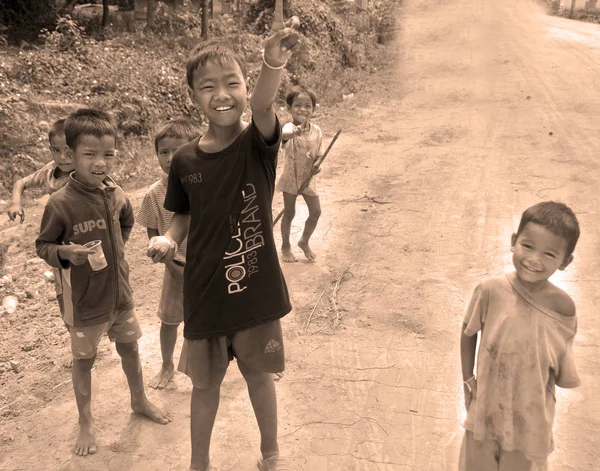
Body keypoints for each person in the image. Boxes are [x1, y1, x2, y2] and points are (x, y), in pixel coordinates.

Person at [147, 20, 301, 471]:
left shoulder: (259, 144)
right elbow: (183, 214)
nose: (222, 94)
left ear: (244, 87)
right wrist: (167, 238)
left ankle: (270, 455)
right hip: (204, 297)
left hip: (255, 293)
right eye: (208, 86)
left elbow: (264, 102)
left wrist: (272, 62)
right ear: (194, 96)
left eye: (232, 82)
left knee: (259, 378)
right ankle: (199, 464)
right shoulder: (184, 159)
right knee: (204, 388)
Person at [36, 108, 173, 457]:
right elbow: (43, 245)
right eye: (90, 154)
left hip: (120, 296)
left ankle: (139, 399)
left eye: (108, 154)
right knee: (84, 360)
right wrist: (67, 252)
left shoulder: (115, 194)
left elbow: (126, 221)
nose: (101, 163)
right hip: (84, 303)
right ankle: (85, 421)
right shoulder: (60, 203)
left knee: (130, 348)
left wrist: (119, 246)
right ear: (70, 155)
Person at [460, 201, 581, 471]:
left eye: (549, 254)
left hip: (530, 420)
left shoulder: (563, 308)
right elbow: (468, 331)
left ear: (565, 261)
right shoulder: (489, 290)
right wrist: (468, 379)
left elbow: (559, 371)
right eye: (527, 246)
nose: (534, 260)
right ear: (514, 241)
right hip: (486, 409)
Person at [137, 118, 199, 389]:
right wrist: (170, 264)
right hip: (174, 266)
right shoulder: (154, 193)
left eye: (178, 150)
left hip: (208, 266)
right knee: (170, 320)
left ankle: (211, 365)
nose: (170, 157)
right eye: (164, 151)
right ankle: (166, 364)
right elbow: (152, 233)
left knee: (213, 320)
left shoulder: (205, 186)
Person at [7, 118, 74, 367]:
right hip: (57, 248)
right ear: (50, 151)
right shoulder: (49, 172)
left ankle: (99, 333)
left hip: (83, 241)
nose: (63, 157)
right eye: (57, 150)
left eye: (69, 150)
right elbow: (21, 183)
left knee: (93, 290)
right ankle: (78, 342)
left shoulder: (85, 174)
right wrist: (16, 202)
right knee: (62, 297)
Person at [276, 85, 324, 263]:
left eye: (307, 106)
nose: (302, 109)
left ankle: (304, 241)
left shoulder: (317, 131)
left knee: (316, 211)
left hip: (308, 179)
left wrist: (318, 165)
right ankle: (285, 246)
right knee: (289, 212)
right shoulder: (288, 127)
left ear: (313, 109)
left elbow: (320, 153)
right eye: (297, 105)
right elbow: (283, 135)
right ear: (289, 108)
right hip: (291, 178)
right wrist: (293, 132)